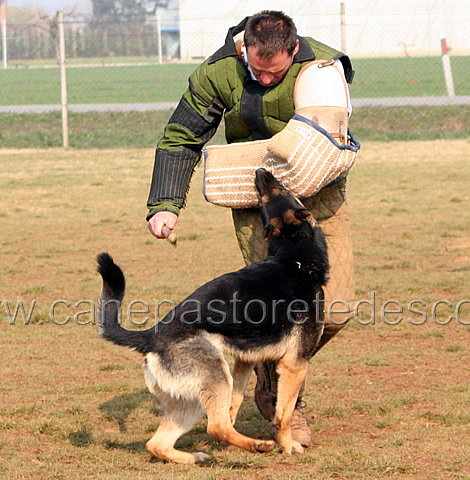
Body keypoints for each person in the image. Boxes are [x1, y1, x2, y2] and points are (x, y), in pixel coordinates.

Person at [146, 10, 356, 448]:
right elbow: (182, 137)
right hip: (258, 204)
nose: (262, 79)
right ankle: (285, 403)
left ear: (293, 51)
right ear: (246, 49)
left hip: (319, 199)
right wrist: (165, 205)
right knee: (272, 309)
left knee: (334, 311)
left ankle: (269, 366)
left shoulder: (320, 67)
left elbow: (336, 127)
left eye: (274, 72)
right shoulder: (219, 71)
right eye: (256, 70)